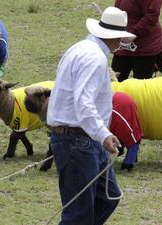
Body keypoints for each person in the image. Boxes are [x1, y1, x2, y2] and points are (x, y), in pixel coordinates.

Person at [47, 7, 135, 225]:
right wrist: (103, 133)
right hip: (78, 140)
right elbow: (83, 102)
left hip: (82, 138)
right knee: (78, 214)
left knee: (108, 197)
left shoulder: (80, 49)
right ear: (115, 37)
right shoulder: (94, 58)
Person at [112, 0, 162, 81]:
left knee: (142, 86)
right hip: (123, 46)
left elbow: (151, 16)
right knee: (115, 82)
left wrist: (132, 33)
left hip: (144, 48)